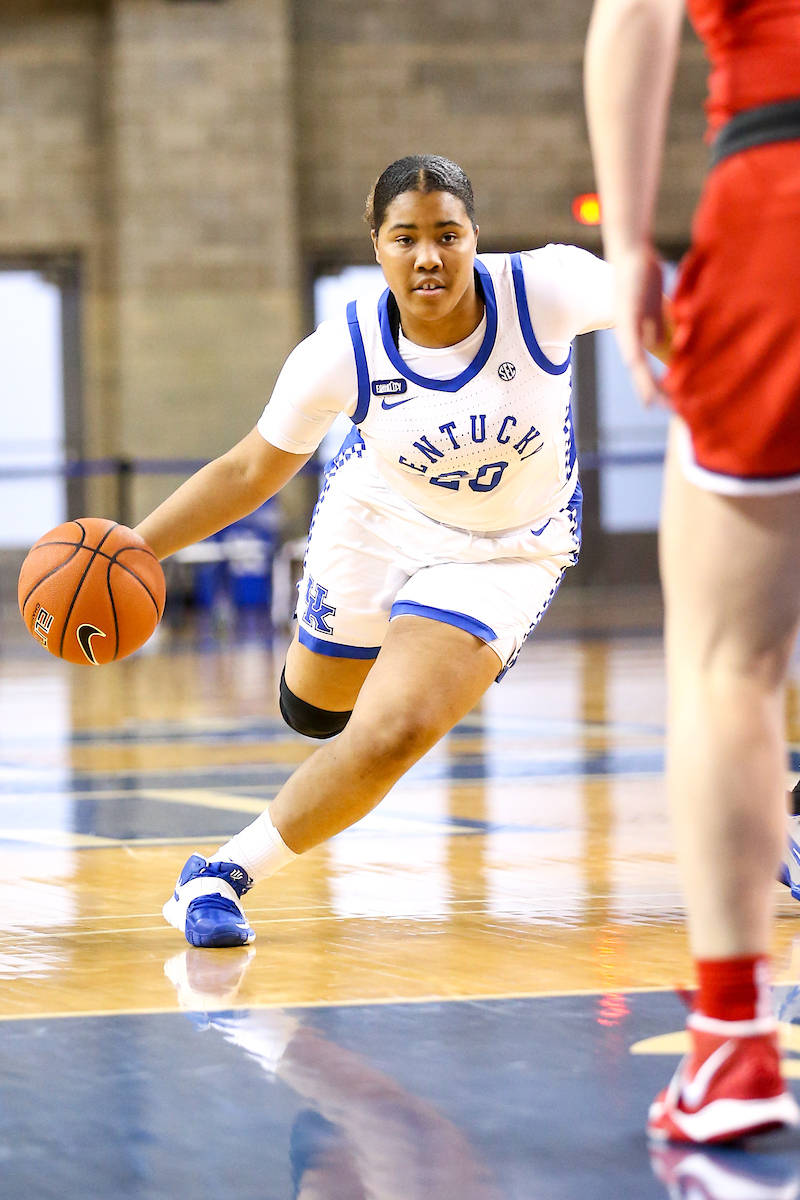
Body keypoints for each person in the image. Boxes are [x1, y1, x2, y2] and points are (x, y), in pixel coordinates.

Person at [134, 154, 614, 949]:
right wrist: (138, 547)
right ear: (378, 246)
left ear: (474, 239)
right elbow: (250, 469)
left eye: (447, 235)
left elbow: (681, 322)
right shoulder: (340, 352)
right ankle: (344, 717)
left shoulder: (551, 288)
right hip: (377, 515)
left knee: (392, 731)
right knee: (316, 712)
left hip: (505, 551)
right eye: (407, 237)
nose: (429, 255)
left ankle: (216, 877)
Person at [585, 0, 800, 1144]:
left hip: (778, 180)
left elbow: (631, 15)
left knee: (729, 663)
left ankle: (731, 1046)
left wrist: (627, 245)